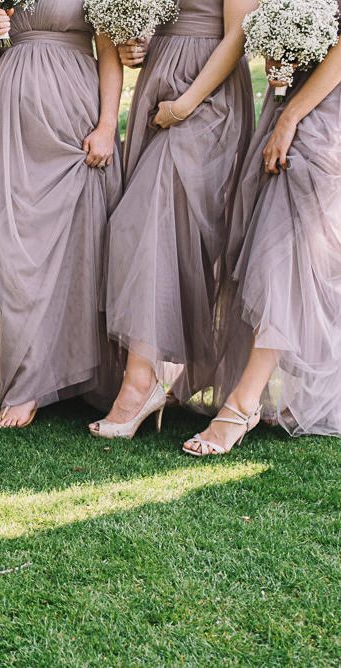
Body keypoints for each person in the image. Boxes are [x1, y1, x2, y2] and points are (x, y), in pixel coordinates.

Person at [91, 0, 256, 439]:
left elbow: (238, 35)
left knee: (144, 221)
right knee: (159, 229)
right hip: (160, 79)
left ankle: (140, 383)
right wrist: (136, 42)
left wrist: (185, 105)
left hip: (207, 94)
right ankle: (144, 375)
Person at [184, 9, 341, 455]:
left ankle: (243, 401)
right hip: (287, 100)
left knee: (287, 250)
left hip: (321, 115)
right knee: (281, 246)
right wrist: (280, 55)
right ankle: (270, 393)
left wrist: (291, 118)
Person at [0, 0, 124, 429]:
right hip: (17, 123)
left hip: (74, 115)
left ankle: (70, 375)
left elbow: (110, 55)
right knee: (18, 246)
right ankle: (28, 377)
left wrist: (107, 126)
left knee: (79, 239)